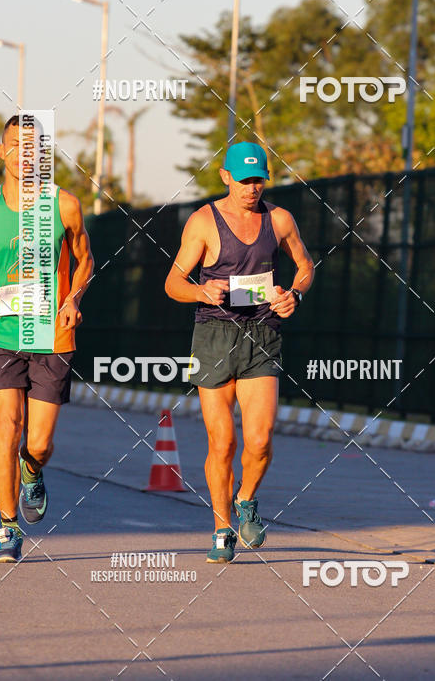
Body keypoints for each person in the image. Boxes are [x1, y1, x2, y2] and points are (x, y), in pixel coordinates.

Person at [165, 141, 314, 563]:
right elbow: (172, 283)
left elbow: (306, 267)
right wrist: (200, 290)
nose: (252, 188)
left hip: (262, 334)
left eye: (259, 180)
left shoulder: (279, 219)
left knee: (261, 439)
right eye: (245, 179)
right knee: (223, 442)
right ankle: (222, 527)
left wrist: (295, 297)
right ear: (226, 176)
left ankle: (246, 498)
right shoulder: (203, 222)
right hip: (213, 336)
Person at [0, 115, 93, 563]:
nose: (24, 154)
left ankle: (32, 470)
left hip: (53, 334)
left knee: (38, 442)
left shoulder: (64, 204)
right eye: (16, 145)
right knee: (6, 430)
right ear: (2, 151)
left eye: (33, 147)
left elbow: (86, 259)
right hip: (1, 331)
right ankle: (8, 527)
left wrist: (73, 295)